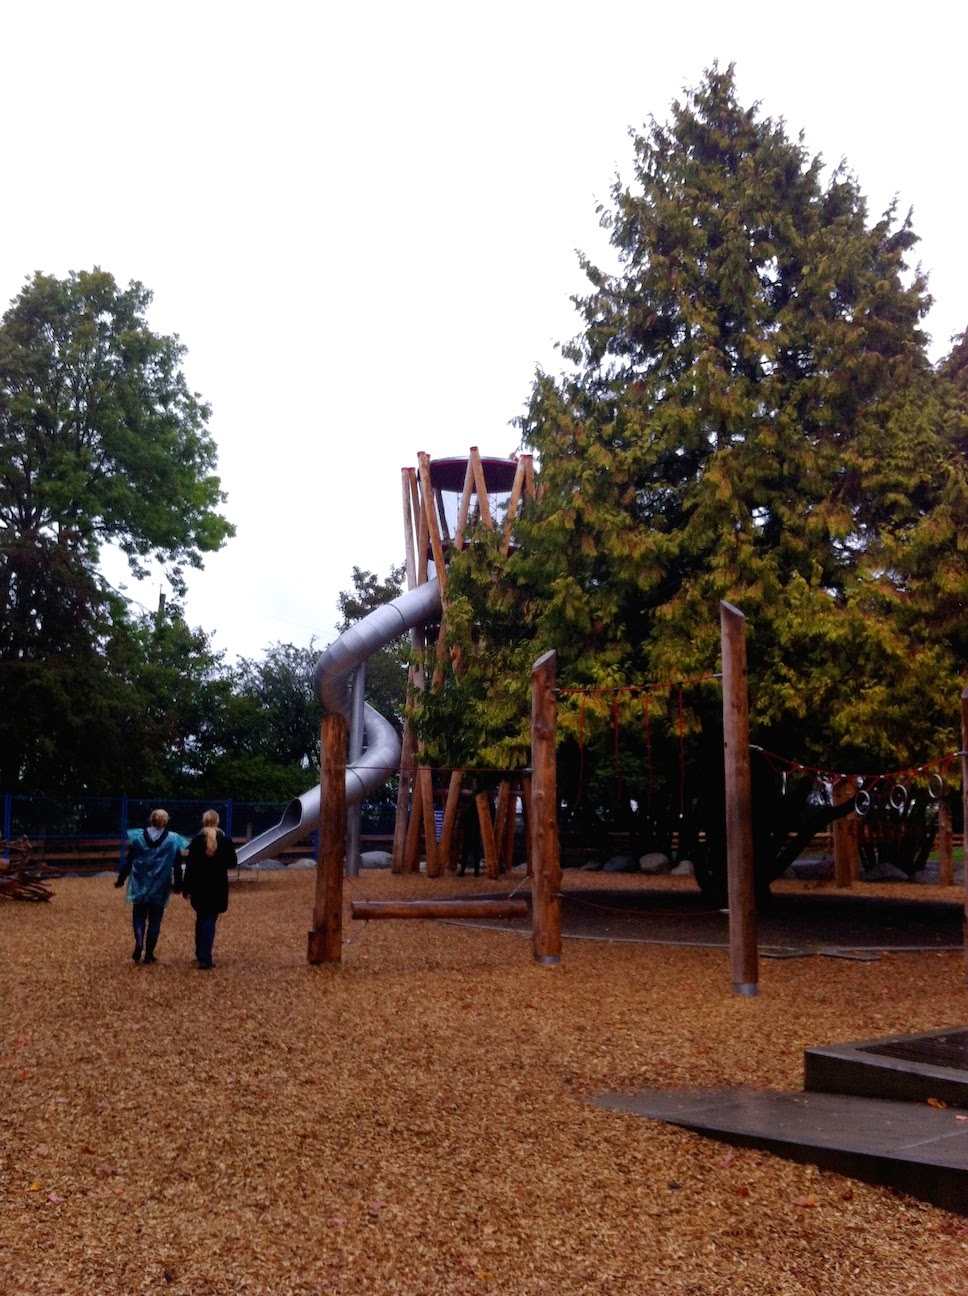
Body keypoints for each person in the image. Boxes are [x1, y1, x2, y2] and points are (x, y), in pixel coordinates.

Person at [115, 809, 188, 964]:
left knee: (138, 915)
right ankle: (149, 954)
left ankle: (139, 941)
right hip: (161, 885)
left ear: (151, 819)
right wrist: (178, 885)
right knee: (155, 919)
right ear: (165, 821)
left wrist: (121, 880)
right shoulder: (173, 839)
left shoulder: (138, 837)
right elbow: (177, 865)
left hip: (140, 882)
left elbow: (129, 861)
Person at [181, 810, 236, 970]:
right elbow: (232, 862)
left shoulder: (197, 841)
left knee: (201, 917)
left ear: (203, 821)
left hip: (199, 884)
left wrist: (186, 887)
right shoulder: (225, 840)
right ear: (217, 822)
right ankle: (206, 956)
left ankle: (200, 952)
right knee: (210, 918)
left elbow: (190, 866)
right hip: (217, 884)